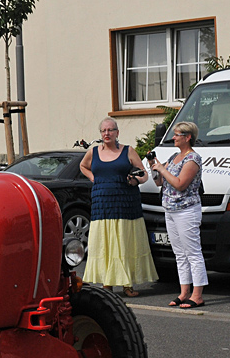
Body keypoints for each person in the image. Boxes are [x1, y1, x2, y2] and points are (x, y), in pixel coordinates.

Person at [79, 117, 157, 296]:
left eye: (110, 130)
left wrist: (135, 180)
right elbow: (83, 166)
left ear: (117, 133)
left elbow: (144, 174)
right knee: (105, 244)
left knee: (124, 242)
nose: (107, 133)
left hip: (125, 204)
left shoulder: (128, 150)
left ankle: (127, 284)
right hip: (102, 204)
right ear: (101, 134)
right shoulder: (93, 152)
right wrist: (93, 178)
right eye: (104, 131)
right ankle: (107, 283)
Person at [150, 121, 206, 309]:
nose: (173, 137)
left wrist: (163, 170)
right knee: (179, 254)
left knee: (193, 252)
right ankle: (184, 292)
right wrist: (154, 167)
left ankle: (197, 295)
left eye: (177, 134)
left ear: (188, 137)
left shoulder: (192, 159)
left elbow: (180, 183)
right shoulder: (174, 156)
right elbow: (160, 183)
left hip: (187, 210)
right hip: (171, 210)